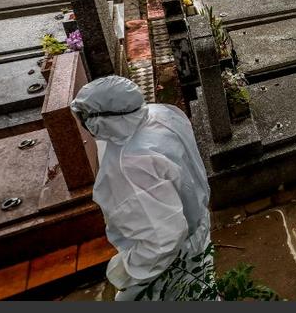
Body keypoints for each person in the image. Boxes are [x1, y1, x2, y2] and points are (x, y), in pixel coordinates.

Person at [70, 76, 212, 301]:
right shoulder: (160, 114)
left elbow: (163, 239)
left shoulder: (131, 164)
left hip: (171, 259)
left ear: (103, 120)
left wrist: (128, 269)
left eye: (85, 118)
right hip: (199, 223)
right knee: (202, 286)